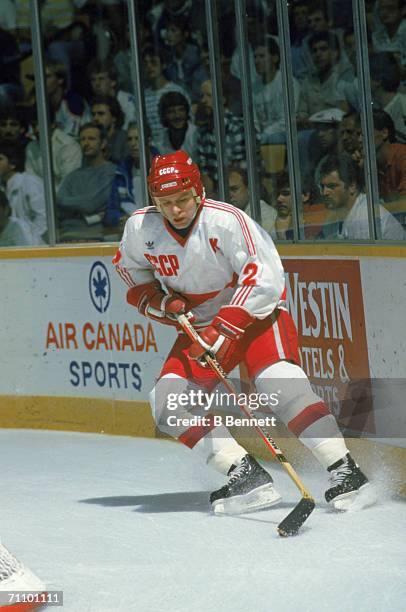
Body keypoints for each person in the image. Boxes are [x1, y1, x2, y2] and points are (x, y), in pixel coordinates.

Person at [113, 150, 370, 515]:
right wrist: (161, 302)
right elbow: (131, 274)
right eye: (165, 202)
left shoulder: (227, 221)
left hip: (252, 317)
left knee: (280, 385)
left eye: (182, 199)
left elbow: (265, 274)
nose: (175, 210)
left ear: (198, 192)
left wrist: (229, 322)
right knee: (166, 404)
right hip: (200, 325)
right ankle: (244, 474)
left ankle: (345, 469)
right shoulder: (141, 229)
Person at [319, 153, 405, 240]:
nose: (324, 192)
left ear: (352, 186)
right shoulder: (334, 215)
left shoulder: (367, 219)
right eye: (322, 187)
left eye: (332, 186)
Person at [57, 122, 116, 240]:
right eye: (83, 139)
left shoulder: (112, 172)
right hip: (67, 234)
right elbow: (59, 202)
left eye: (91, 139)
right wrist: (85, 206)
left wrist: (73, 206)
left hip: (96, 235)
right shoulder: (72, 176)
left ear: (103, 143)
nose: (86, 143)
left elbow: (91, 203)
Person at [0, 141, 46, 245]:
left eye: (0, 159)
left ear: (12, 164)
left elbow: (44, 219)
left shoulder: (29, 182)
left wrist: (27, 238)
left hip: (33, 245)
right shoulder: (2, 186)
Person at [228, 166, 276, 236]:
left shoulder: (264, 213)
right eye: (226, 191)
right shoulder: (231, 214)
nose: (230, 195)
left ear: (249, 190)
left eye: (234, 189)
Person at [156, 91, 198, 158]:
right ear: (164, 115)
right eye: (171, 112)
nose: (177, 116)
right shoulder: (161, 140)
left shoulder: (196, 134)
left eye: (181, 110)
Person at [90, 95, 129, 163]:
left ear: (114, 117)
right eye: (93, 114)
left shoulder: (125, 138)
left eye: (101, 114)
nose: (95, 118)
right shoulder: (90, 139)